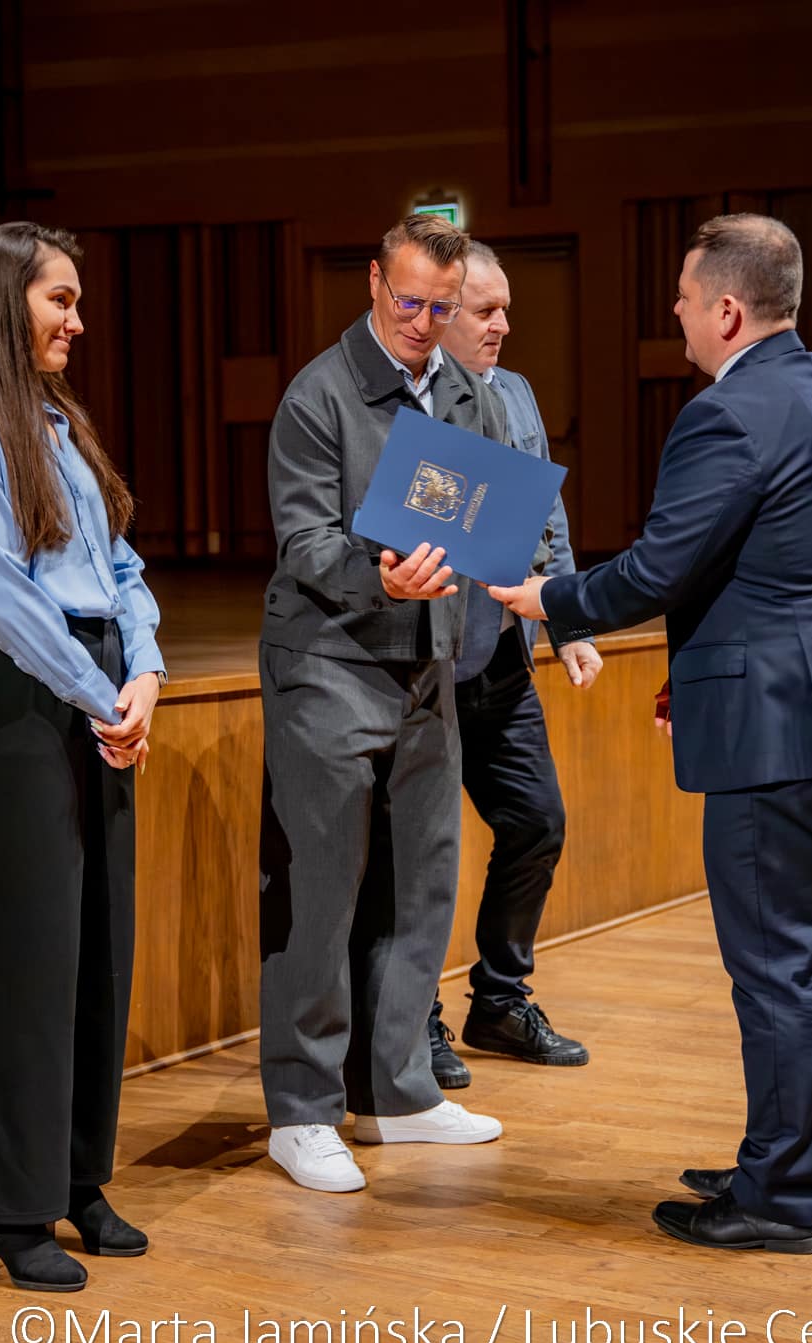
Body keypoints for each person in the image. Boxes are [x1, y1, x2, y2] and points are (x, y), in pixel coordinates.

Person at [492, 214, 812, 1254]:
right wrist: (702, 670)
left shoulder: (726, 414)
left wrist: (547, 597)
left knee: (778, 965)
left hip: (785, 730)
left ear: (726, 308)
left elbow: (656, 571)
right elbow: (782, 569)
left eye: (684, 298)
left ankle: (776, 1201)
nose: (676, 315)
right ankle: (798, 1163)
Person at [0, 222, 162, 1292]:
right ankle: (10, 1210)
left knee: (97, 940)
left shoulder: (54, 421)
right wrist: (98, 691)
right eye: (59, 301)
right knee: (28, 953)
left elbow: (121, 561)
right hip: (19, 691)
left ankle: (75, 1179)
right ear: (4, 300)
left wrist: (142, 670)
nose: (76, 322)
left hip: (94, 678)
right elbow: (6, 598)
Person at [259, 214, 508, 1193]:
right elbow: (304, 543)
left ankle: (395, 1093)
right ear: (372, 282)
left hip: (423, 666)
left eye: (437, 309)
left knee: (420, 882)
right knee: (319, 893)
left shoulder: (458, 392)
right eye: (407, 302)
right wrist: (383, 577)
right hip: (328, 661)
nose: (421, 321)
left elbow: (483, 513)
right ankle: (302, 1109)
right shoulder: (316, 395)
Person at [425, 240, 601, 1088]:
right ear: (441, 310)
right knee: (424, 848)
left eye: (504, 309)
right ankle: (412, 1014)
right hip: (427, 666)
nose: (504, 324)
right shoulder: (411, 400)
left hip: (499, 657)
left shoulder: (519, 393)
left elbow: (547, 517)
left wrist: (567, 620)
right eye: (487, 311)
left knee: (537, 822)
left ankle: (498, 1000)